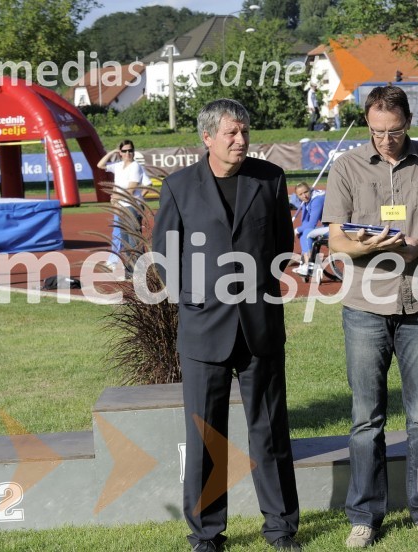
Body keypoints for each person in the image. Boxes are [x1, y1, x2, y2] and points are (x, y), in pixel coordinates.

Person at [152, 99, 302, 552]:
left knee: (270, 430)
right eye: (232, 133)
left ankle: (280, 528)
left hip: (259, 328)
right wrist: (196, 302)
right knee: (205, 437)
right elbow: (165, 258)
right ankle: (206, 533)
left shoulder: (270, 179)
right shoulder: (179, 186)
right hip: (203, 330)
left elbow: (281, 243)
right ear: (208, 138)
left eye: (245, 132)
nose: (241, 140)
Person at [322, 85, 418, 548]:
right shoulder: (347, 166)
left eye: (396, 130)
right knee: (367, 417)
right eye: (378, 131)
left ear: (409, 122)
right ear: (368, 124)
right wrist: (362, 246)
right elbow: (335, 240)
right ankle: (365, 516)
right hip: (365, 306)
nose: (386, 139)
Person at [97, 140, 150, 275]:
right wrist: (111, 153)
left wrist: (116, 198)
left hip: (131, 207)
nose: (128, 153)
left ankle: (140, 270)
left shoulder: (135, 166)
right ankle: (130, 268)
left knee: (134, 240)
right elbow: (100, 165)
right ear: (120, 153)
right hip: (122, 207)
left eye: (130, 150)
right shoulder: (118, 166)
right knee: (125, 240)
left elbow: (131, 188)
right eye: (125, 151)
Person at [291, 182, 325, 277]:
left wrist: (296, 230)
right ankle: (305, 264)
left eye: (306, 192)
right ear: (297, 196)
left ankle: (308, 265)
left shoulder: (318, 199)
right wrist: (299, 231)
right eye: (300, 194)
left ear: (310, 190)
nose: (304, 196)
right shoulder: (307, 201)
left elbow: (311, 223)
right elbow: (305, 222)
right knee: (304, 232)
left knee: (307, 232)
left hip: (334, 227)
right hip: (327, 227)